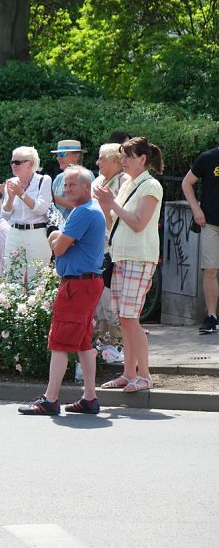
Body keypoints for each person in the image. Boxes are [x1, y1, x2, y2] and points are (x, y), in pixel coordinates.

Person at [17, 166, 107, 414]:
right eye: (65, 185)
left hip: (77, 285)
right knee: (83, 343)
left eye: (72, 185)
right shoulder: (90, 209)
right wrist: (59, 237)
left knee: (59, 342)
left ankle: (50, 400)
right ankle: (90, 398)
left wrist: (55, 235)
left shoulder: (82, 212)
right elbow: (62, 244)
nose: (66, 189)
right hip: (87, 283)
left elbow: (58, 248)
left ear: (87, 187)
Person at [95, 137, 164, 393]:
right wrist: (106, 206)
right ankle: (129, 373)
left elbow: (137, 223)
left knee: (130, 318)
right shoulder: (127, 184)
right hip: (121, 257)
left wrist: (111, 203)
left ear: (142, 159)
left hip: (139, 258)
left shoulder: (151, 185)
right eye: (122, 156)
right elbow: (113, 223)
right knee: (124, 319)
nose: (122, 161)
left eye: (128, 156)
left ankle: (144, 375)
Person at [93, 143, 129, 346]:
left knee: (111, 300)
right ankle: (103, 345)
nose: (97, 162)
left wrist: (106, 210)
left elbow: (120, 216)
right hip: (96, 246)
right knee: (99, 301)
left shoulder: (124, 181)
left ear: (115, 160)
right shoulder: (98, 181)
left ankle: (117, 344)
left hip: (114, 248)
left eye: (101, 158)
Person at [182, 144, 219, 334]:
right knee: (210, 269)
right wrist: (196, 209)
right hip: (210, 223)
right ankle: (211, 316)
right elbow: (186, 182)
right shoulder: (208, 157)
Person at [1, 146, 54, 281]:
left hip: (36, 232)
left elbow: (41, 209)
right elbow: (5, 215)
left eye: (18, 162)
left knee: (38, 278)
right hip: (14, 232)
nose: (14, 165)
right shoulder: (11, 182)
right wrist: (11, 198)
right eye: (12, 162)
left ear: (30, 164)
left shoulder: (44, 180)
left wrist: (21, 194)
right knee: (12, 277)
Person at [50, 140, 94, 220]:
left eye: (62, 154)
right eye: (57, 155)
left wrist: (54, 198)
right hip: (60, 225)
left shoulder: (86, 175)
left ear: (76, 156)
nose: (58, 158)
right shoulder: (59, 178)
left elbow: (88, 206)